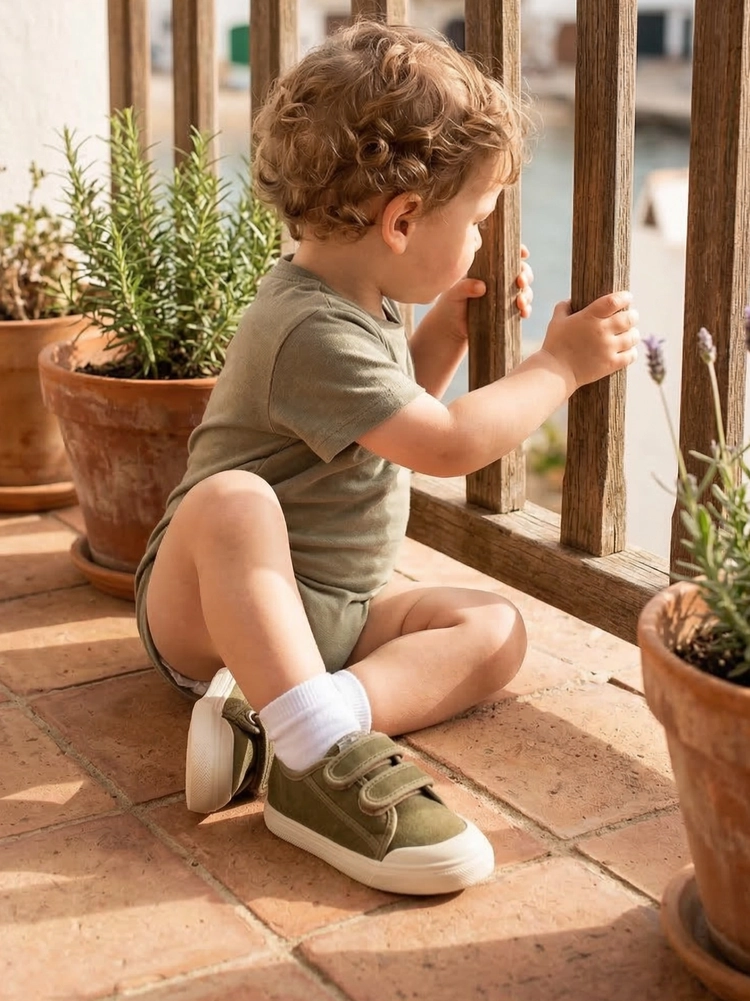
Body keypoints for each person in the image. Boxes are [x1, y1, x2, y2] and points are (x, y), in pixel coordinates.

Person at [134, 20, 639, 897]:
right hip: (205, 607)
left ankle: (293, 718)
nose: (482, 238)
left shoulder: (350, 299)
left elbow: (385, 418)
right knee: (234, 501)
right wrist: (558, 366)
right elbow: (440, 445)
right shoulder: (305, 327)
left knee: (496, 630)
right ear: (402, 220)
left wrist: (443, 330)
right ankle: (320, 759)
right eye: (476, 220)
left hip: (326, 615)